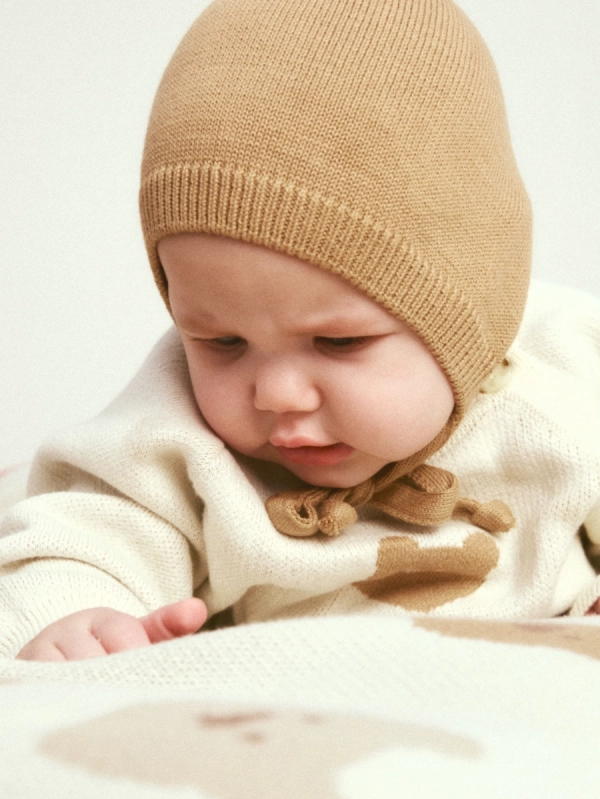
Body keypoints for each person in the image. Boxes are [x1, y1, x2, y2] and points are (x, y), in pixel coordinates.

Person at [2, 0, 600, 662]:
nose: (277, 394)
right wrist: (77, 618)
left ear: (472, 318)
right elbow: (85, 536)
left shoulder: (567, 372)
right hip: (294, 705)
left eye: (339, 343)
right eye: (222, 342)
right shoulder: (173, 437)